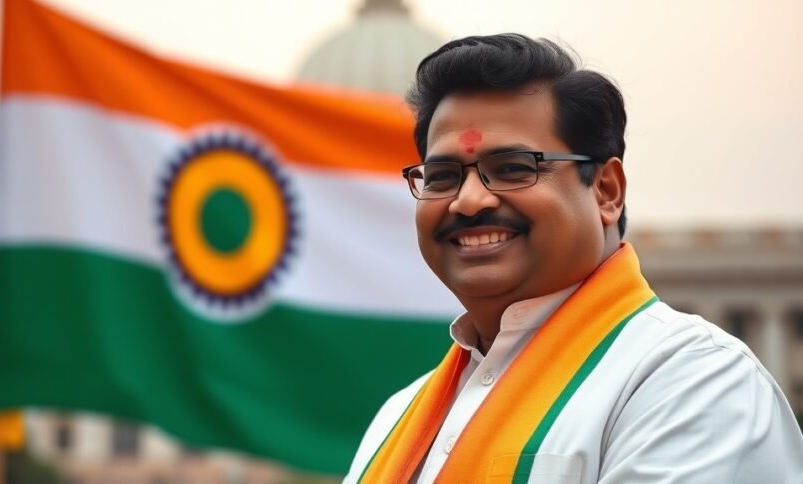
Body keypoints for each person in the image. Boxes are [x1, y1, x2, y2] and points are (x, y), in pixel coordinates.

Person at [344, 34, 803, 484]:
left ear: (607, 190)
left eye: (514, 169)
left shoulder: (694, 383)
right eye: (441, 176)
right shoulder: (399, 417)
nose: (468, 201)